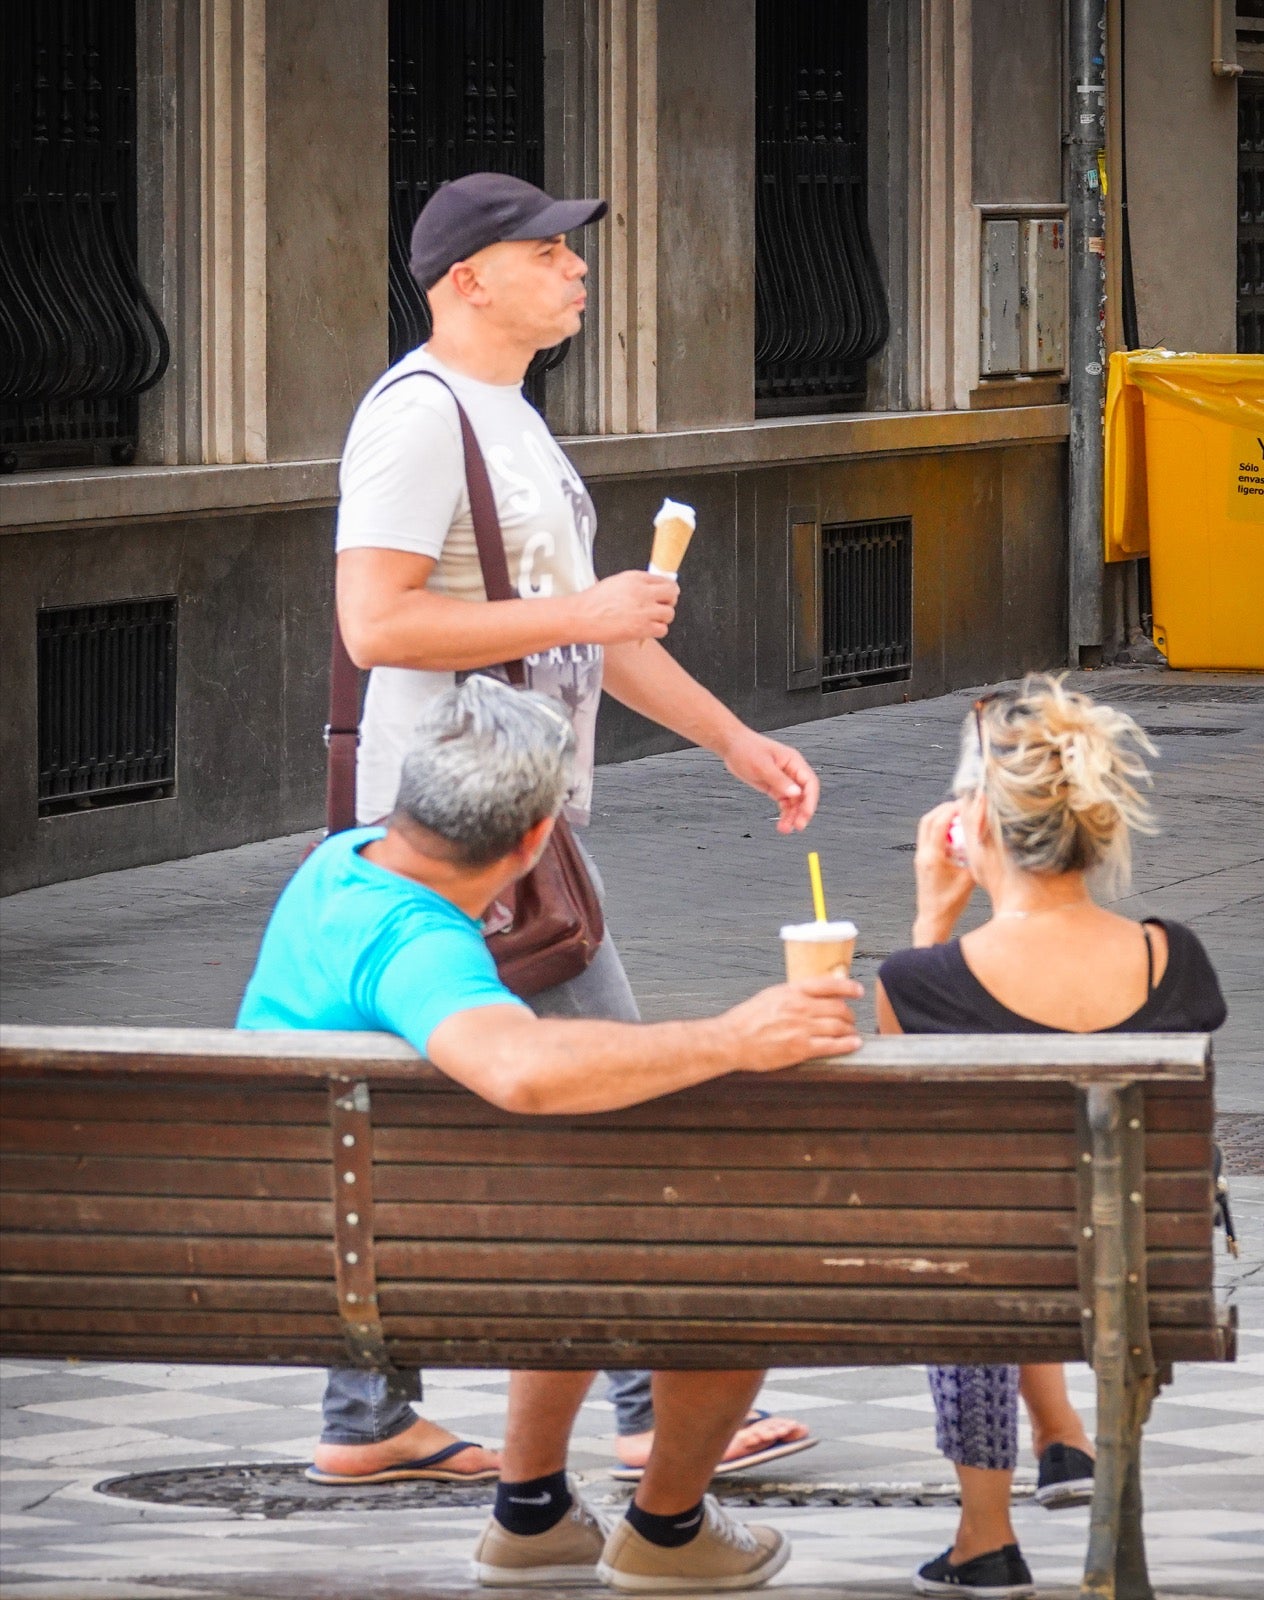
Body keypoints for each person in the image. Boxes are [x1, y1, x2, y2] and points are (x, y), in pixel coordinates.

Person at [321, 170, 816, 1487]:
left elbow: (597, 627)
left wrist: (727, 737)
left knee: (417, 1112)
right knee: (618, 1097)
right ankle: (645, 1405)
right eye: (546, 251)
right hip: (443, 835)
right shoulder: (420, 420)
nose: (574, 267)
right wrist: (581, 618)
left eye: (569, 250)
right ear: (465, 278)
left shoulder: (514, 419)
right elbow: (375, 626)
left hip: (510, 825)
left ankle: (368, 1416)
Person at [239, 678, 862, 1589]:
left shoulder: (342, 865)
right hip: (379, 1266)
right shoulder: (414, 942)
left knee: (567, 1207)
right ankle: (669, 1530)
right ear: (537, 838)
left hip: (303, 1232)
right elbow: (518, 1069)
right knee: (738, 1255)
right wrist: (733, 1037)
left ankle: (531, 1517)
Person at [875, 676, 1228, 1599]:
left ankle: (984, 1534)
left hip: (985, 1276)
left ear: (976, 829)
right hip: (1143, 1272)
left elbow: (899, 1130)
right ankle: (1079, 1462)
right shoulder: (1173, 956)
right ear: (1096, 827)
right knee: (1037, 1217)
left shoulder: (922, 980)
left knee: (970, 1230)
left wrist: (930, 925)